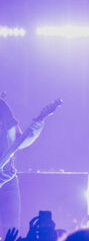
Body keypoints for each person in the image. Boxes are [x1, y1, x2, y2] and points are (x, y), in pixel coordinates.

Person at [0, 96, 45, 231]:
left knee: (12, 230)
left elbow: (18, 142)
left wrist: (37, 128)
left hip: (8, 178)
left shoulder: (1, 106)